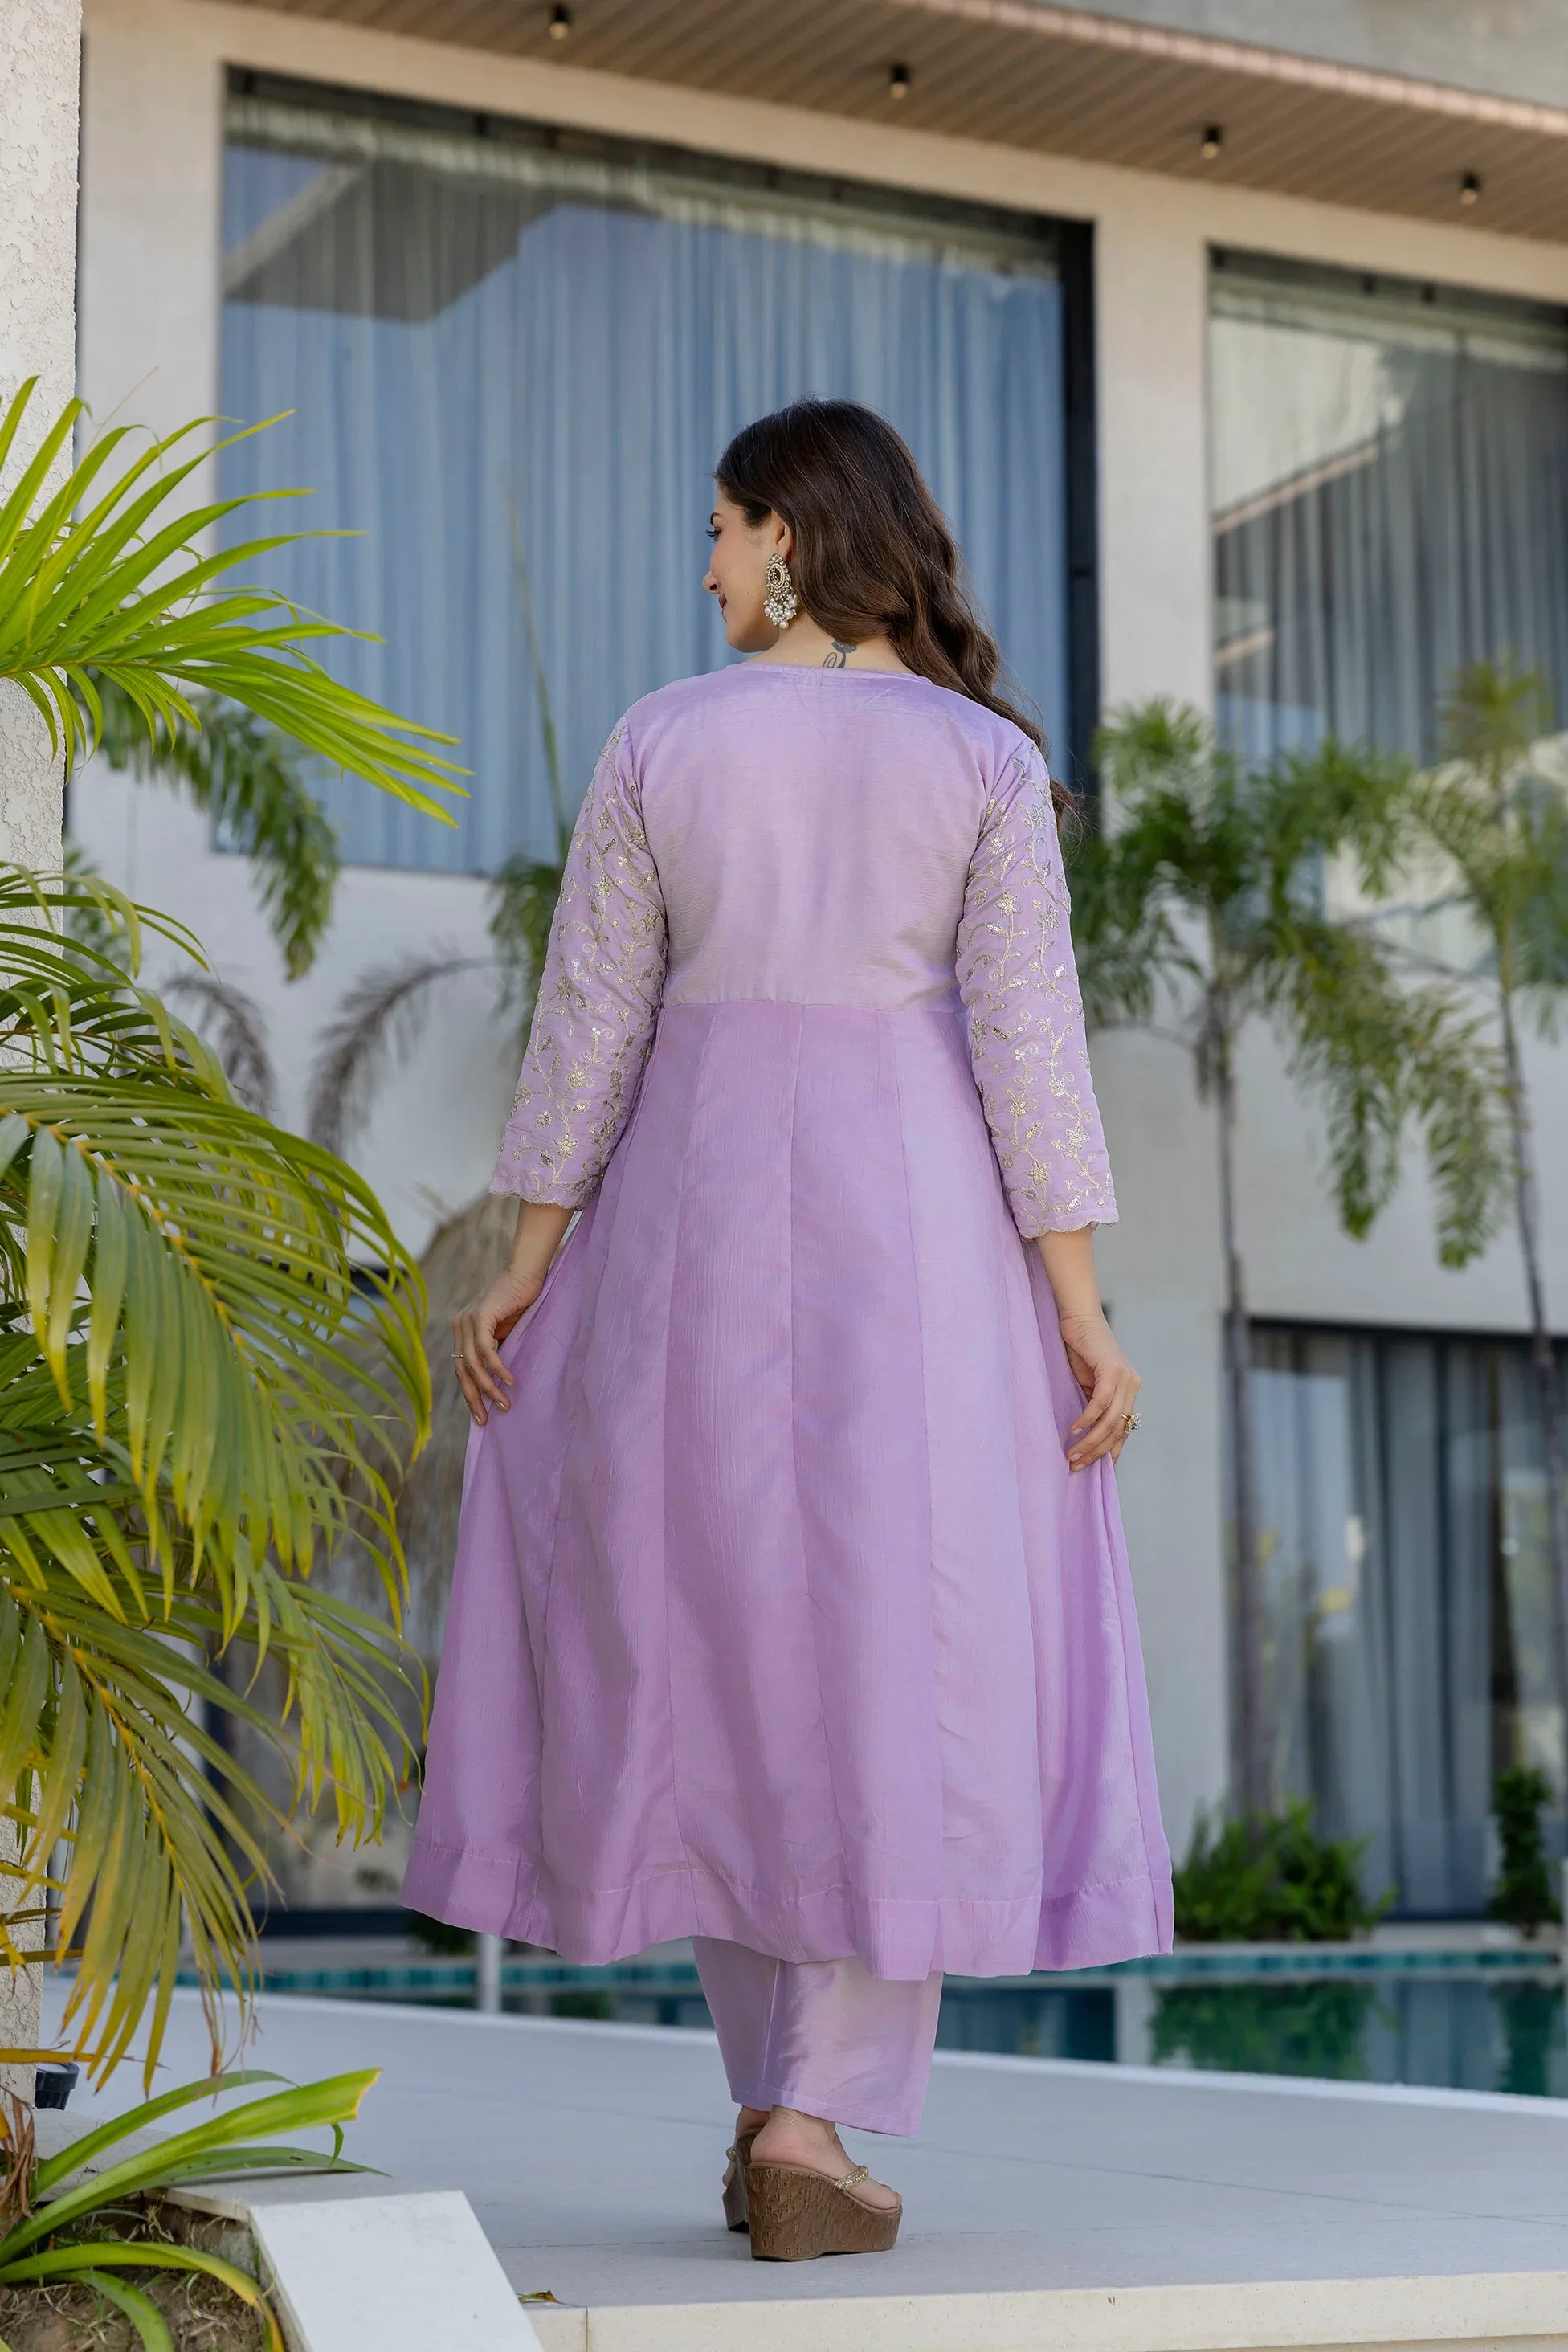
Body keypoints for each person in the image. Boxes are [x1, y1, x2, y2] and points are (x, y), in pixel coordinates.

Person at [403, 398, 1173, 2262]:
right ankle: (807, 2124)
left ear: (792, 536)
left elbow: (588, 1034)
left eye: (724, 530)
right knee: (897, 1674)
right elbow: (1029, 1068)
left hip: (695, 1224)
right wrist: (1080, 1312)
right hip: (919, 1241)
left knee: (729, 1657)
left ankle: (780, 2111)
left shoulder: (663, 738)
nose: (707, 567)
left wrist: (522, 1259)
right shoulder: (982, 764)